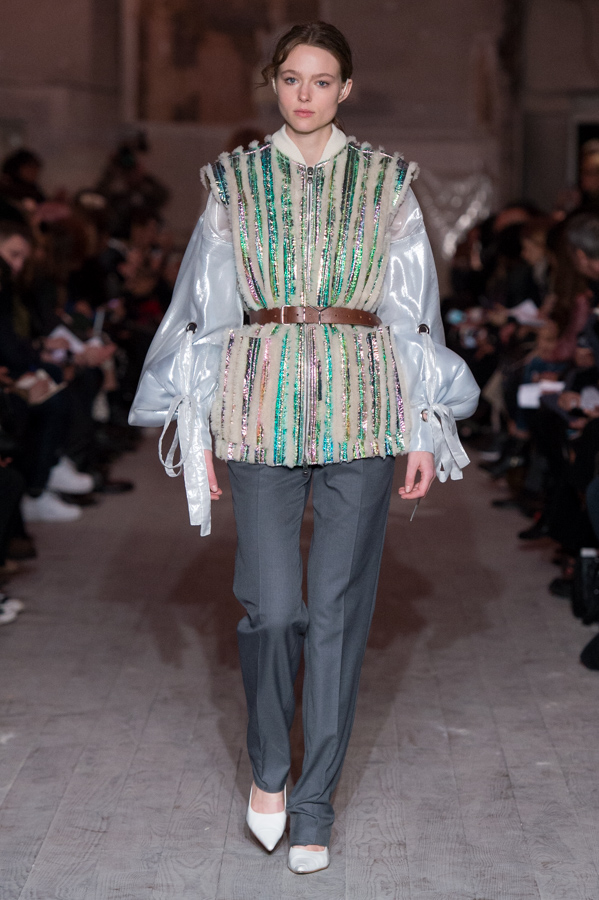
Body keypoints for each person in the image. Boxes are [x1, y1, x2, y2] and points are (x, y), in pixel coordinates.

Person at [129, 22, 480, 874]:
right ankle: (268, 767)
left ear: (344, 89)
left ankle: (314, 802)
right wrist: (196, 429)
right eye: (291, 78)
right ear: (273, 82)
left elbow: (412, 311)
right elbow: (205, 309)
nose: (305, 95)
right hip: (258, 405)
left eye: (322, 81)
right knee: (272, 608)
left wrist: (423, 426)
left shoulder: (387, 182)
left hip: (364, 406)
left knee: (336, 613)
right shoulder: (235, 182)